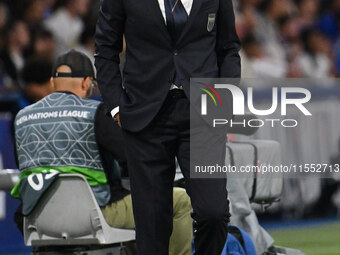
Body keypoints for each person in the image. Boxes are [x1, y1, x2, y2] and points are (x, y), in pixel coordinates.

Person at [11, 50, 193, 255]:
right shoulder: (94, 113)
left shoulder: (21, 118)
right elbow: (135, 159)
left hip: (40, 219)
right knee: (179, 200)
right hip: (93, 216)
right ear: (86, 83)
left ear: (52, 83)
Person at [95, 0, 241, 254]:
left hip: (202, 115)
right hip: (144, 117)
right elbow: (105, 48)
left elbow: (228, 48)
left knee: (214, 213)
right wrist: (117, 106)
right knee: (152, 224)